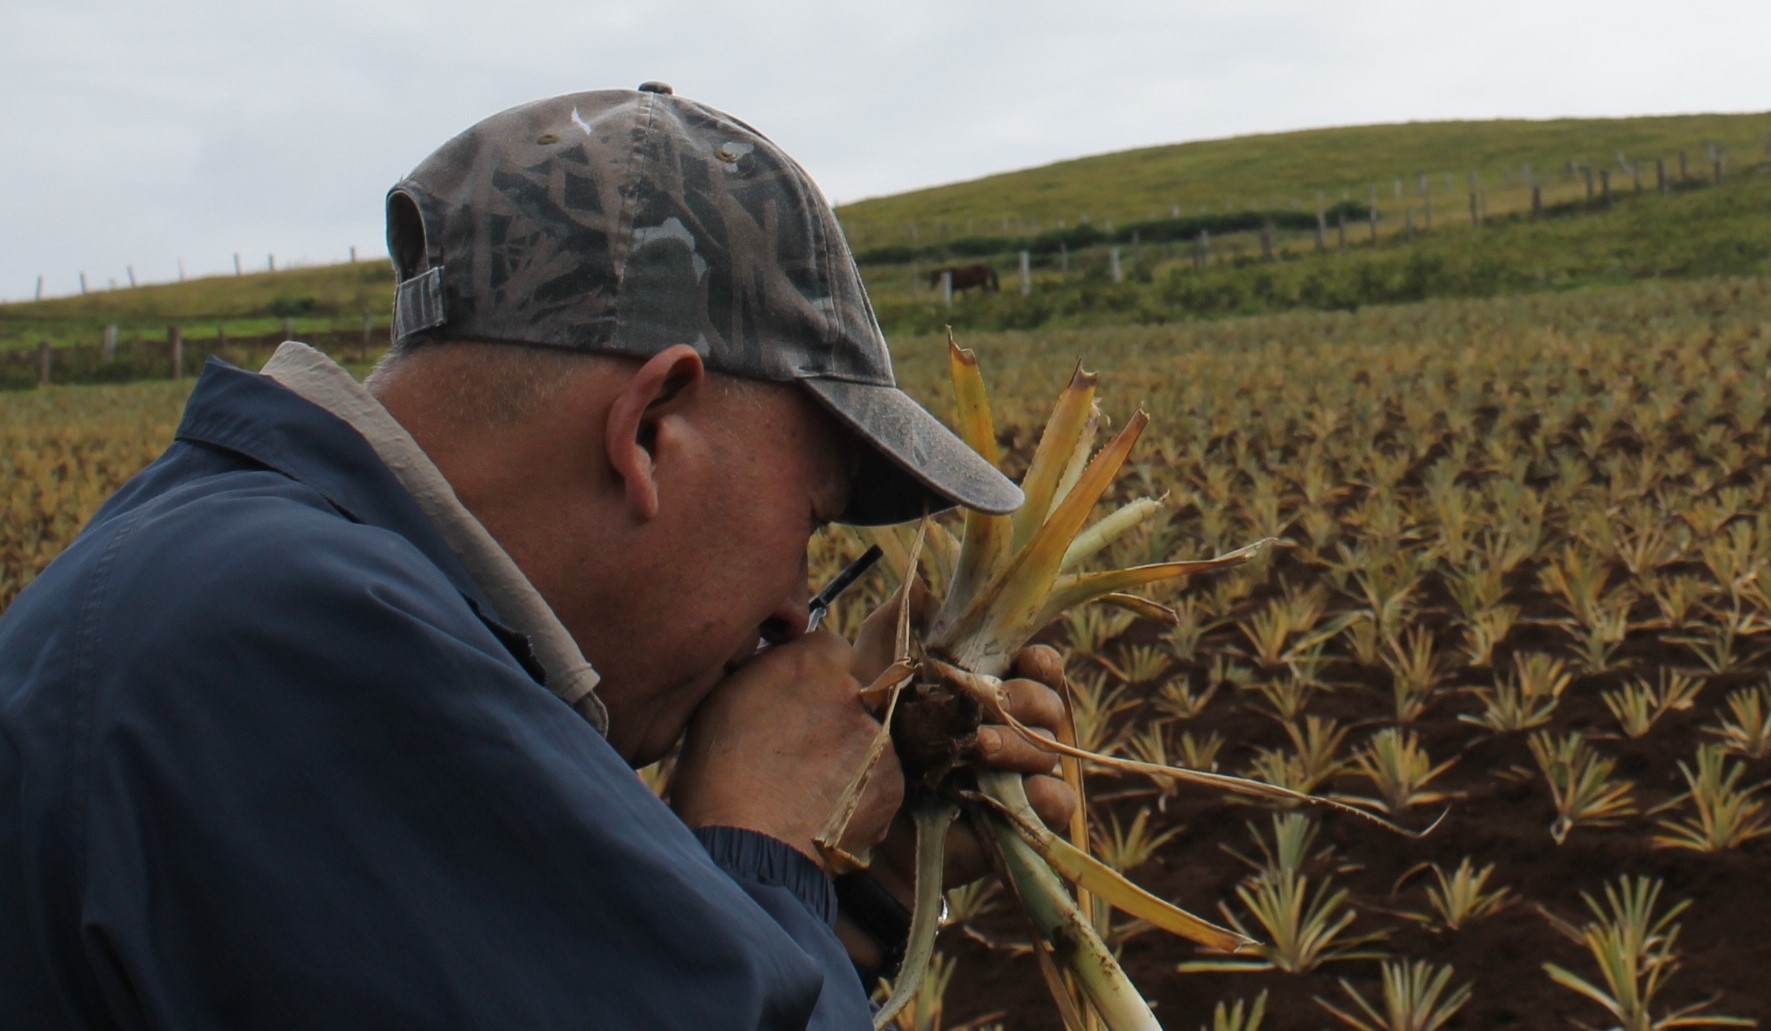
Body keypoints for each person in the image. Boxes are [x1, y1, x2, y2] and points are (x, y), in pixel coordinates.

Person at [0, 83, 1073, 1027]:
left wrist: (856, 893)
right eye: (810, 522)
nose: (797, 610)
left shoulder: (227, 570)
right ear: (649, 427)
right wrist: (761, 845)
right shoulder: (308, 641)